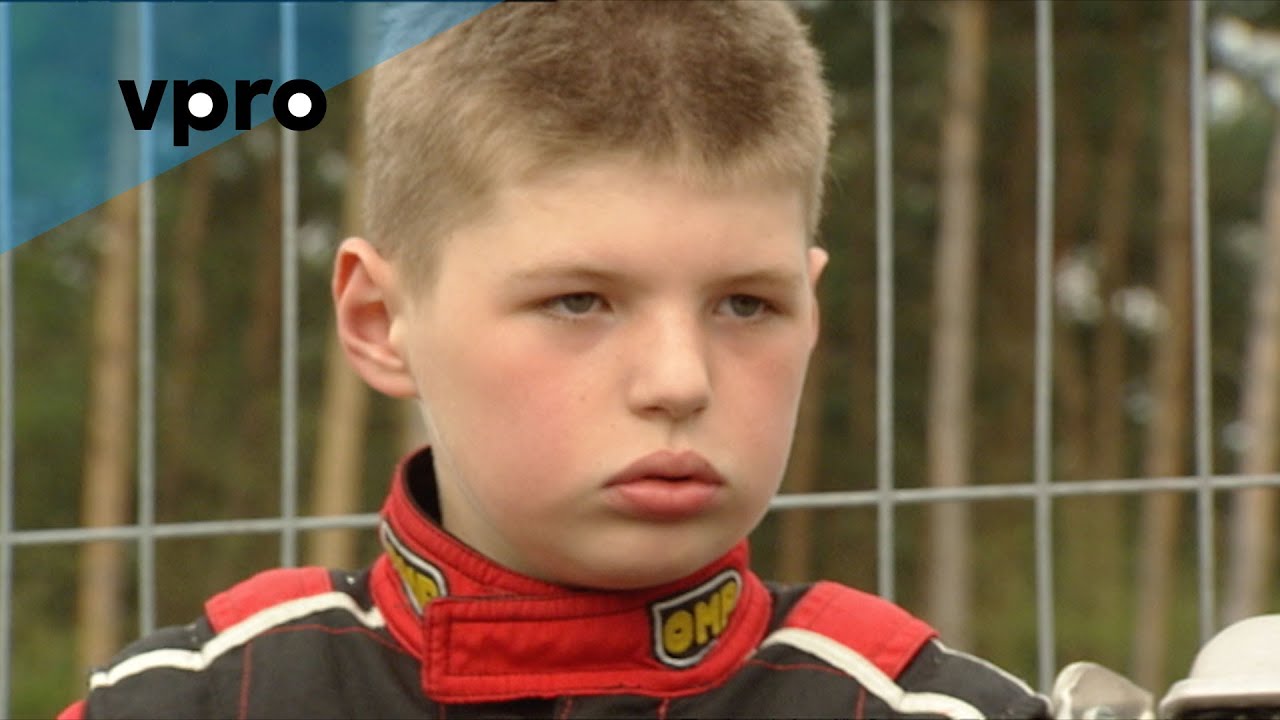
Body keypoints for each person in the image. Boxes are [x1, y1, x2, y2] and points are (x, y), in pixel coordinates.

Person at [63, 2, 1051, 718]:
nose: (679, 382)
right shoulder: (198, 703)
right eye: (579, 301)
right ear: (378, 320)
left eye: (745, 304)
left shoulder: (926, 709)